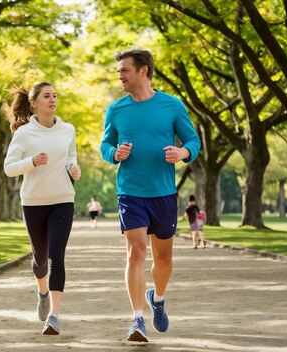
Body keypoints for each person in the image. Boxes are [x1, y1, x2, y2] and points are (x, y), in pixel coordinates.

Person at [99, 49, 201, 342]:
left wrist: (182, 152)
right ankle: (137, 320)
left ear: (143, 70)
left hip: (164, 193)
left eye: (124, 70)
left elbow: (193, 140)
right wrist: (113, 153)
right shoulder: (116, 110)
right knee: (135, 253)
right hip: (130, 192)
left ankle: (157, 297)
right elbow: (105, 145)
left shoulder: (171, 105)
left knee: (164, 258)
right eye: (119, 71)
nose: (120, 76)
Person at [3, 82, 81, 335]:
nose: (53, 99)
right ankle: (42, 291)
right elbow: (9, 167)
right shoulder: (24, 133)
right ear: (34, 103)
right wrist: (32, 161)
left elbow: (71, 156)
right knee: (40, 262)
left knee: (56, 256)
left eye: (55, 95)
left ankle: (54, 316)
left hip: (62, 199)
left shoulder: (67, 129)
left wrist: (74, 168)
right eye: (47, 96)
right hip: (34, 202)